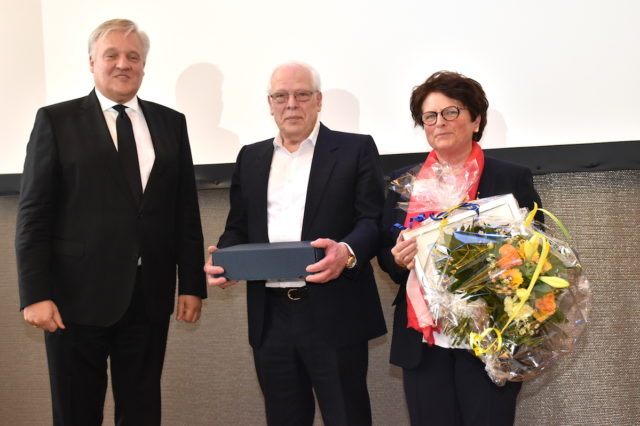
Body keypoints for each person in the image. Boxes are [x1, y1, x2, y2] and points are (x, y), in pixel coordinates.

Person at [15, 19, 206, 425]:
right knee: (76, 412)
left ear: (143, 65)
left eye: (133, 57)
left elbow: (184, 210)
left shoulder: (171, 123)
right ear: (92, 63)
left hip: (149, 296)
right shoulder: (56, 121)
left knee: (141, 411)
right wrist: (34, 293)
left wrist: (191, 284)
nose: (123, 64)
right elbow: (33, 215)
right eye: (112, 55)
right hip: (73, 300)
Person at [204, 62, 386, 426]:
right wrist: (223, 257)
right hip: (271, 319)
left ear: (318, 101)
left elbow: (372, 221)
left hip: (335, 312)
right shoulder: (250, 157)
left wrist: (346, 253)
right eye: (281, 96)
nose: (292, 104)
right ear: (269, 104)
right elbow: (238, 227)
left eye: (302, 94)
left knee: (347, 417)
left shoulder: (355, 149)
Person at [378, 71, 543, 426]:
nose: (440, 122)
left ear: (476, 119)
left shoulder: (510, 177)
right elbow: (385, 256)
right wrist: (397, 258)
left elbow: (537, 253)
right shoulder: (402, 184)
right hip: (423, 341)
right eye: (430, 116)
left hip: (488, 338)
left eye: (451, 112)